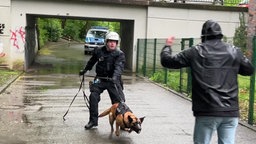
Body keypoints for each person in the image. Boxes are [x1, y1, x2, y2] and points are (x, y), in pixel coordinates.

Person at [160, 20, 254, 144]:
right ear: (220, 34)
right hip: (230, 111)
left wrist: (167, 46)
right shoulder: (233, 51)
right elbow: (249, 70)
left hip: (206, 109)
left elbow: (168, 61)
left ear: (203, 36)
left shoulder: (195, 51)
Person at [79, 31, 126, 129]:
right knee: (93, 96)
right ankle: (93, 121)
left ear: (117, 43)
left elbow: (119, 68)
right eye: (110, 41)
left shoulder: (119, 54)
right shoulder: (99, 51)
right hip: (100, 79)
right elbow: (92, 61)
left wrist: (115, 77)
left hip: (113, 80)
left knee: (120, 102)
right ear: (106, 42)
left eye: (115, 42)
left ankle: (122, 122)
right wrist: (85, 70)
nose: (112, 43)